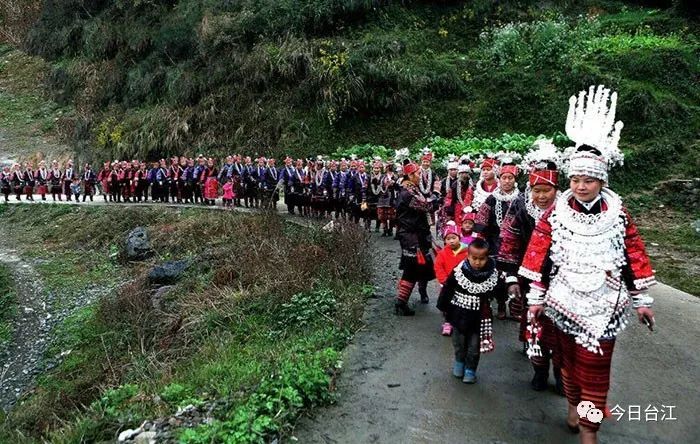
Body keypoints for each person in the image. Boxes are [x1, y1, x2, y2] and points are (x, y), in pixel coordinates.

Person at [520, 86, 656, 442]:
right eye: (576, 180)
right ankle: (572, 406)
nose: (581, 186)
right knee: (568, 364)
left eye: (589, 180)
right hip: (564, 301)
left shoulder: (618, 214)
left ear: (602, 180)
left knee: (596, 371)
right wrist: (535, 300)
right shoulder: (555, 214)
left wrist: (641, 302)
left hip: (606, 304)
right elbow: (539, 259)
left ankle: (589, 431)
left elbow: (633, 255)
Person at [498, 139, 562, 392]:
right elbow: (509, 241)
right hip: (530, 276)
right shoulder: (521, 206)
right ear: (530, 188)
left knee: (561, 329)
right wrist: (511, 277)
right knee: (536, 324)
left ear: (556, 189)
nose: (542, 196)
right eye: (537, 190)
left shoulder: (568, 210)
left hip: (563, 279)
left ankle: (561, 374)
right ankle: (539, 371)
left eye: (547, 190)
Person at [436, 238, 500, 383]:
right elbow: (448, 289)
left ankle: (470, 370)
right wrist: (444, 307)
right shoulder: (459, 271)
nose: (477, 262)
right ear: (468, 256)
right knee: (459, 342)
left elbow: (499, 290)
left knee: (474, 346)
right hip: (459, 314)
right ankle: (459, 363)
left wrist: (503, 295)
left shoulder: (493, 274)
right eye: (474, 258)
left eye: (481, 259)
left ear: (487, 257)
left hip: (479, 318)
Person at [474, 159, 521, 319]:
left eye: (510, 178)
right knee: (499, 277)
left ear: (515, 180)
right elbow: (481, 220)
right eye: (504, 178)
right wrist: (480, 241)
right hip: (495, 243)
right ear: (499, 179)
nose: (507, 181)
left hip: (517, 245)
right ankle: (501, 304)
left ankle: (515, 307)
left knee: (516, 276)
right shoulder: (492, 199)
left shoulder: (522, 199)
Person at [394, 162, 439, 315]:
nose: (420, 176)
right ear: (410, 175)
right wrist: (436, 194)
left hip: (418, 234)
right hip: (411, 236)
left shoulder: (412, 189)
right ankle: (401, 302)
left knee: (422, 265)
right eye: (418, 174)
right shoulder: (407, 193)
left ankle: (420, 294)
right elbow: (426, 206)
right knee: (411, 268)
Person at [433, 221, 469, 336]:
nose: (451, 241)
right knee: (448, 304)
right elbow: (438, 267)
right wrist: (443, 280)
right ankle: (447, 323)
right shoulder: (442, 253)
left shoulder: (467, 252)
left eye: (454, 238)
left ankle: (460, 323)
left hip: (463, 283)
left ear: (459, 238)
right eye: (448, 239)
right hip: (448, 284)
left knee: (462, 304)